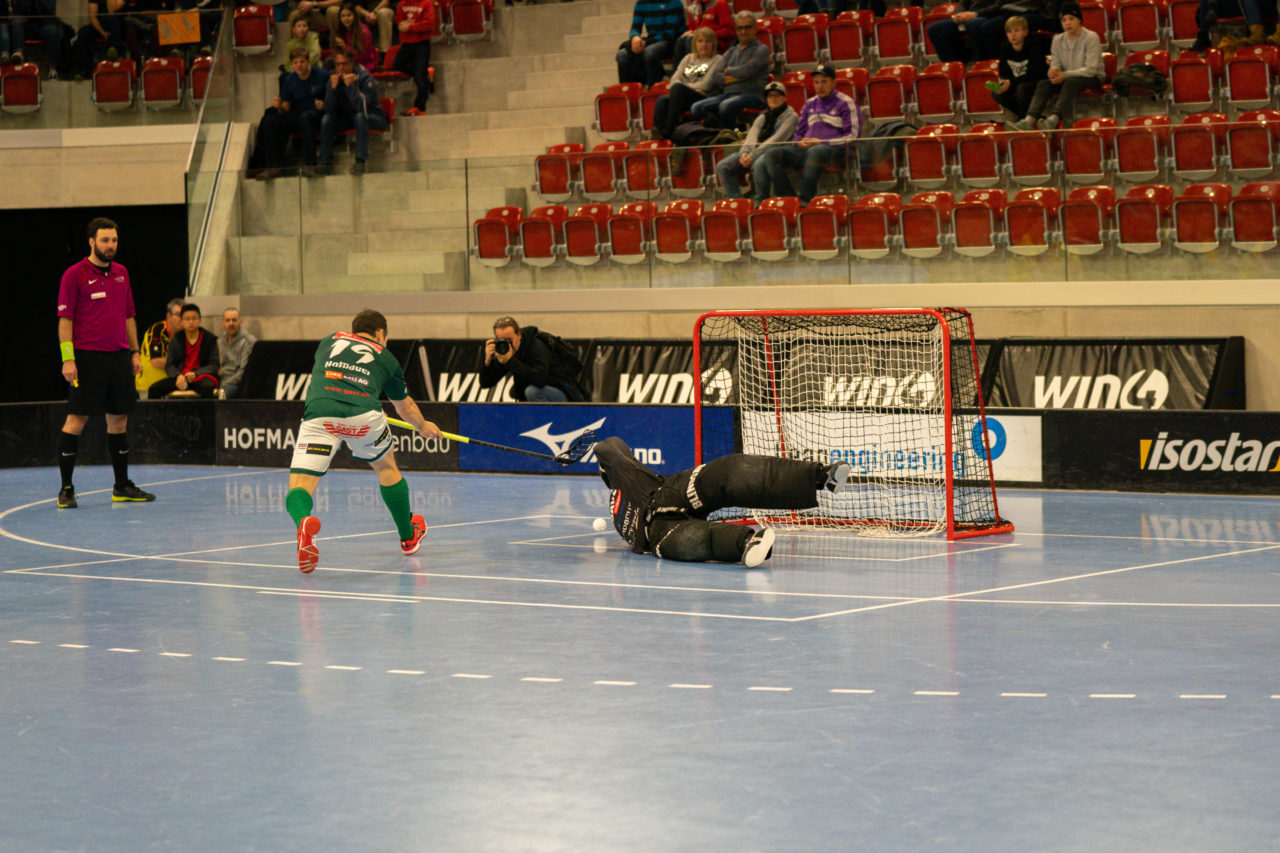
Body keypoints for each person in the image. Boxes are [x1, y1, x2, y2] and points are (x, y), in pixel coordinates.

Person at [285, 309, 442, 573]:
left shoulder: (328, 341)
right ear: (381, 333)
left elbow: (332, 376)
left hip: (320, 415)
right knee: (386, 467)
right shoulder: (387, 358)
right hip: (364, 418)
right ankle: (408, 537)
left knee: (300, 484)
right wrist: (423, 426)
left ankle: (303, 522)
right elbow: (405, 408)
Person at [594, 436, 852, 567]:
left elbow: (610, 447)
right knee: (692, 542)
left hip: (671, 490)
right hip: (657, 533)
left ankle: (820, 476)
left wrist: (595, 447)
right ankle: (749, 543)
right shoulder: (618, 495)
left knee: (730, 472)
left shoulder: (631, 472)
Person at [55, 217, 155, 509]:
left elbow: (129, 316)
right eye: (105, 241)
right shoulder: (74, 275)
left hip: (119, 357)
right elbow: (65, 320)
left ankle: (121, 486)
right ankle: (66, 489)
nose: (111, 246)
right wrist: (68, 359)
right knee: (76, 420)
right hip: (86, 359)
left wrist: (135, 352)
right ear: (91, 241)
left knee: (119, 419)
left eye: (114, 240)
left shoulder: (122, 273)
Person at [756, 64, 859, 205]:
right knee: (771, 154)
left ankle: (805, 200)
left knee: (816, 151)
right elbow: (798, 133)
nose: (819, 86)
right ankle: (789, 198)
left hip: (835, 151)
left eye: (824, 81)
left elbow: (852, 136)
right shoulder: (809, 104)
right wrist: (798, 142)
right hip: (806, 149)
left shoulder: (845, 102)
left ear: (834, 83)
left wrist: (822, 142)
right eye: (816, 82)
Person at [253, 47, 328, 180]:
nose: (299, 65)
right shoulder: (289, 79)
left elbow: (332, 98)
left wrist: (323, 105)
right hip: (298, 114)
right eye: (295, 63)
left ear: (308, 62)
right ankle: (273, 166)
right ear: (292, 65)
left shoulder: (322, 75)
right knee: (271, 119)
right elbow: (286, 107)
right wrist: (280, 106)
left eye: (302, 62)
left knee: (306, 118)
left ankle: (309, 164)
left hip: (317, 114)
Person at [715, 80, 798, 201]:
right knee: (723, 166)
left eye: (777, 95)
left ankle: (761, 201)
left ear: (784, 98)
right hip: (753, 153)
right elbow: (751, 138)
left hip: (774, 152)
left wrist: (753, 155)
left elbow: (777, 140)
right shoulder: (762, 117)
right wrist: (744, 153)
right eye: (770, 96)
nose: (774, 99)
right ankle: (738, 202)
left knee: (759, 164)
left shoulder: (791, 116)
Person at [688, 12, 770, 130]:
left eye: (747, 27)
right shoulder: (730, 51)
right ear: (736, 30)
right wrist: (741, 77)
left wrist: (729, 71)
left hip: (752, 95)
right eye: (740, 28)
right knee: (696, 108)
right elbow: (716, 76)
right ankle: (712, 136)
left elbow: (748, 70)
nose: (743, 31)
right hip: (727, 95)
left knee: (726, 106)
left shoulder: (762, 49)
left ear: (755, 28)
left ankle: (727, 140)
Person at [478, 316, 588, 403]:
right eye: (501, 340)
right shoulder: (505, 350)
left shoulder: (536, 346)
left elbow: (540, 380)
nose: (506, 344)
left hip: (563, 395)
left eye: (509, 339)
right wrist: (487, 362)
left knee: (532, 392)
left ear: (519, 335)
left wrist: (511, 361)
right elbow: (485, 383)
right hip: (540, 397)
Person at [318, 48, 387, 175]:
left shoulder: (365, 78)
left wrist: (350, 86)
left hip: (373, 117)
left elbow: (363, 107)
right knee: (327, 119)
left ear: (352, 64)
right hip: (347, 118)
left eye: (345, 64)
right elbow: (328, 109)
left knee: (360, 117)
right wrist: (332, 89)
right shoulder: (333, 79)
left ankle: (360, 161)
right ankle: (325, 161)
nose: (341, 68)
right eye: (338, 64)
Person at [1036, 2, 1104, 131]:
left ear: (1079, 20)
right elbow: (1055, 62)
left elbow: (1091, 70)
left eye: (1071, 19)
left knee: (1071, 82)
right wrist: (1053, 71)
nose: (1067, 23)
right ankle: (1028, 120)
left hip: (1092, 79)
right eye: (1064, 20)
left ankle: (1053, 119)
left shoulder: (1091, 37)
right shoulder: (1057, 39)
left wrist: (1064, 75)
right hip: (1068, 78)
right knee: (1044, 84)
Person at [926, 0, 1057, 64]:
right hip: (967, 17)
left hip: (986, 15)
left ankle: (983, 63)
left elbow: (999, 5)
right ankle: (955, 67)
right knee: (934, 29)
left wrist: (975, 14)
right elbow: (962, 3)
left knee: (976, 24)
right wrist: (959, 15)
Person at [651, 27, 723, 140]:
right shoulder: (688, 58)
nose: (704, 44)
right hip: (684, 96)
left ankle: (669, 128)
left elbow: (707, 84)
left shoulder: (718, 60)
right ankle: (658, 133)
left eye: (708, 41)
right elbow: (674, 80)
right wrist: (687, 89)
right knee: (662, 100)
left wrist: (685, 88)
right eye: (700, 41)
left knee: (678, 88)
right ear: (695, 43)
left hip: (704, 98)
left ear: (713, 44)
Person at [147, 302, 219, 398]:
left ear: (200, 320)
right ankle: (155, 413)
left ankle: (205, 413)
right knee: (154, 389)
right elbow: (170, 365)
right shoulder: (176, 339)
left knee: (207, 387)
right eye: (187, 319)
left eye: (194, 318)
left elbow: (214, 365)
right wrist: (178, 375)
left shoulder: (209, 339)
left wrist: (195, 373)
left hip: (202, 377)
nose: (191, 322)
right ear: (181, 321)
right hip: (181, 377)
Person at [996, 17, 1052, 131]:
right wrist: (1004, 81)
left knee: (1021, 89)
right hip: (1014, 82)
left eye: (1016, 30)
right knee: (993, 88)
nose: (1013, 35)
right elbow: (1003, 70)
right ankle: (1026, 117)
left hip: (1035, 81)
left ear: (1025, 32)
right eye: (1009, 32)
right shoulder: (1005, 47)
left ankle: (1024, 120)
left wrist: (1011, 82)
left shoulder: (1034, 45)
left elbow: (1036, 73)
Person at [616, 0, 685, 88]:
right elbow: (635, 28)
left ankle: (652, 86)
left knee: (650, 51)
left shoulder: (674, 3)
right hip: (651, 40)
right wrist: (635, 37)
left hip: (672, 41)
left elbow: (670, 33)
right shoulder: (641, 3)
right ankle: (656, 78)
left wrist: (645, 43)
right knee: (622, 55)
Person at [392, 0, 434, 117]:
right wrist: (407, 26)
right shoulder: (402, 4)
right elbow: (399, 22)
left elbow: (429, 24)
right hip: (406, 43)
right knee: (395, 70)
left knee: (420, 77)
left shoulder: (426, 3)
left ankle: (420, 108)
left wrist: (410, 26)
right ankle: (427, 73)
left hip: (422, 43)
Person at [135, 297, 183, 396]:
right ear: (168, 316)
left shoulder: (184, 335)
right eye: (178, 315)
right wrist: (185, 363)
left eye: (184, 315)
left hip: (172, 386)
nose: (181, 319)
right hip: (149, 387)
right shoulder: (157, 330)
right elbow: (156, 362)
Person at [73, 0, 126, 79]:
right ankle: (82, 70)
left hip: (116, 24)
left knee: (113, 23)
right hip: (100, 25)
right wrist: (102, 32)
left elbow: (111, 10)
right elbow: (93, 17)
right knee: (83, 32)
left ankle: (112, 61)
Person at [12, 0, 64, 78]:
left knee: (52, 31)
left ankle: (53, 67)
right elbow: (18, 10)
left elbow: (49, 11)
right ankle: (18, 54)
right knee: (16, 22)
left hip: (44, 24)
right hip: (26, 23)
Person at [672, 0, 733, 65]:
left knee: (690, 40)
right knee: (681, 40)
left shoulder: (720, 4)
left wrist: (708, 34)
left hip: (715, 42)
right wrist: (691, 31)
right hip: (697, 39)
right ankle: (678, 73)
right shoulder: (694, 5)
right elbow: (692, 27)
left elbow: (729, 32)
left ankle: (696, 71)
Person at [217, 307, 256, 399]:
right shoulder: (219, 342)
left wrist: (223, 385)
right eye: (228, 320)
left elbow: (244, 371)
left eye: (234, 320)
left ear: (240, 322)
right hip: (220, 382)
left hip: (237, 384)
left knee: (224, 393)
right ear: (223, 323)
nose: (231, 323)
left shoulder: (249, 341)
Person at [333, 2, 376, 70]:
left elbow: (364, 57)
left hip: (363, 65)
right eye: (343, 16)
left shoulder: (364, 32)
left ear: (355, 16)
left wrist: (345, 47)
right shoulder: (341, 31)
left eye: (349, 15)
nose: (346, 18)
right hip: (346, 63)